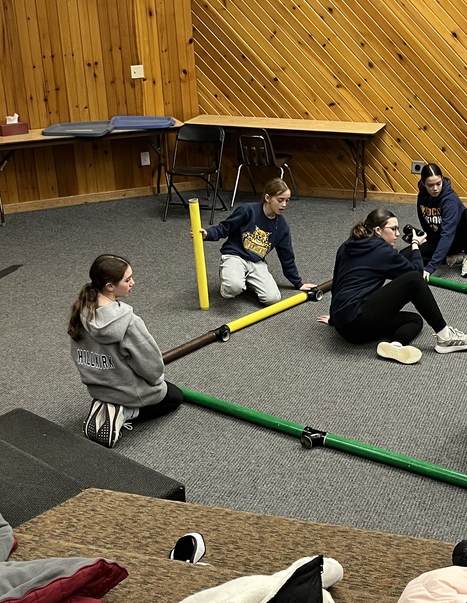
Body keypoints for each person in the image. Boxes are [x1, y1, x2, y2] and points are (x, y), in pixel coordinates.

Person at [327, 207, 467, 363]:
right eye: (393, 229)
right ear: (378, 230)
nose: (397, 234)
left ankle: (396, 345)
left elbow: (337, 282)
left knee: (414, 320)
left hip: (345, 327)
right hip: (358, 320)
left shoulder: (346, 246)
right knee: (413, 279)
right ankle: (445, 337)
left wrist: (335, 316)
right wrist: (415, 245)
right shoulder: (383, 252)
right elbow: (417, 274)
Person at [68, 254, 182, 449]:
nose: (133, 283)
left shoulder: (82, 310)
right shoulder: (129, 322)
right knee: (174, 396)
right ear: (109, 286)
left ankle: (106, 405)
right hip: (127, 392)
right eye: (127, 280)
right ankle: (125, 412)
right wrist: (156, 382)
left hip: (97, 388)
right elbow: (152, 367)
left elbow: (77, 355)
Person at [196, 178, 315, 303]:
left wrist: (298, 283)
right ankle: (232, 280)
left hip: (256, 262)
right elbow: (225, 228)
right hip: (235, 256)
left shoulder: (282, 226)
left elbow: (287, 255)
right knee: (233, 288)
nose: (284, 204)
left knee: (272, 299)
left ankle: (246, 279)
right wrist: (207, 234)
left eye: (287, 200)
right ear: (268, 198)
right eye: (280, 200)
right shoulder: (247, 210)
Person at [415, 163, 467, 278]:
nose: (435, 188)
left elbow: (447, 235)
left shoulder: (449, 200)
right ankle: (451, 258)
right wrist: (424, 239)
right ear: (424, 184)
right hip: (438, 239)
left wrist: (431, 267)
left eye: (438, 184)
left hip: (455, 239)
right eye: (430, 185)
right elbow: (424, 220)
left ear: (442, 180)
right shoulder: (422, 196)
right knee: (406, 256)